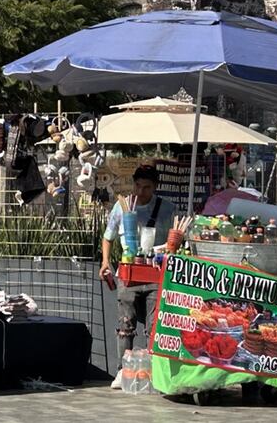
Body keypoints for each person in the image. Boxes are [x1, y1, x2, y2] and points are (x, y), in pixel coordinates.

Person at [99, 165, 175, 389]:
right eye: (138, 186)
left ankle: (154, 371)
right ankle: (123, 371)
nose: (141, 192)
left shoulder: (167, 208)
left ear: (155, 187)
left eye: (147, 187)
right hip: (128, 272)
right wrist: (105, 262)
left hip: (155, 273)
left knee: (153, 326)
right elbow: (108, 236)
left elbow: (176, 240)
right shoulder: (121, 207)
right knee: (125, 322)